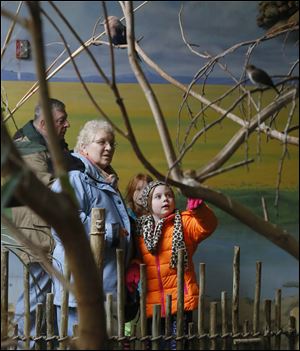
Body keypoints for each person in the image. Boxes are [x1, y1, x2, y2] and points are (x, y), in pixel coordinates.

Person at [51, 119, 133, 337]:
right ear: (84, 146)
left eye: (112, 143)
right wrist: (111, 232)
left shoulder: (101, 179)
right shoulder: (75, 176)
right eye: (102, 142)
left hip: (105, 287)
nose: (108, 148)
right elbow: (63, 222)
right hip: (82, 289)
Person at [131, 180, 218, 349]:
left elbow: (207, 226)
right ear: (148, 203)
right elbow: (137, 256)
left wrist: (199, 209)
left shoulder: (184, 222)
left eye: (169, 195)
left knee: (177, 346)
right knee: (154, 345)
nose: (165, 199)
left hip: (180, 302)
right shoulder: (140, 230)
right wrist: (134, 266)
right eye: (158, 196)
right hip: (152, 304)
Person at [12, 98, 71, 345]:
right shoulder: (28, 149)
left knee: (43, 298)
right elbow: (48, 188)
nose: (67, 124)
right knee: (33, 301)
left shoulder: (48, 145)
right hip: (35, 233)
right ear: (45, 123)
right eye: (61, 121)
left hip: (44, 230)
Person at [123, 173, 153, 349]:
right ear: (131, 192)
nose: (142, 193)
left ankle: (148, 341)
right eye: (138, 189)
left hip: (153, 271)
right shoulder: (126, 215)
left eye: (146, 189)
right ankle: (126, 341)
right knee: (130, 311)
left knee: (149, 313)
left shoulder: (156, 215)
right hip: (130, 271)